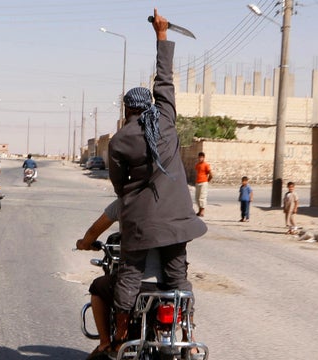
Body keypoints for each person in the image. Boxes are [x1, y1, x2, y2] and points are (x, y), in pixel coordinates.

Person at [106, 9, 207, 351]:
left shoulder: (119, 140)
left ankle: (120, 334)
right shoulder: (164, 120)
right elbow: (165, 79)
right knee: (178, 277)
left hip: (141, 224)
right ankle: (189, 338)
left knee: (130, 275)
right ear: (149, 106)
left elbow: (119, 186)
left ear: (126, 110)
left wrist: (132, 199)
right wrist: (161, 36)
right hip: (179, 219)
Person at [76, 200, 166, 360]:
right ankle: (188, 339)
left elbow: (93, 231)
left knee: (97, 288)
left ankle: (105, 343)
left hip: (135, 284)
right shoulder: (171, 203)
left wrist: (84, 244)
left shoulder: (125, 201)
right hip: (167, 284)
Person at [194, 152, 212, 217]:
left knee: (202, 197)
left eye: (201, 157)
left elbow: (211, 174)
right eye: (199, 157)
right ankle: (199, 210)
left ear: (203, 158)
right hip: (198, 182)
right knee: (197, 197)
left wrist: (207, 180)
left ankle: (202, 211)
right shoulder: (197, 165)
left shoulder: (206, 165)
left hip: (203, 182)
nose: (200, 159)